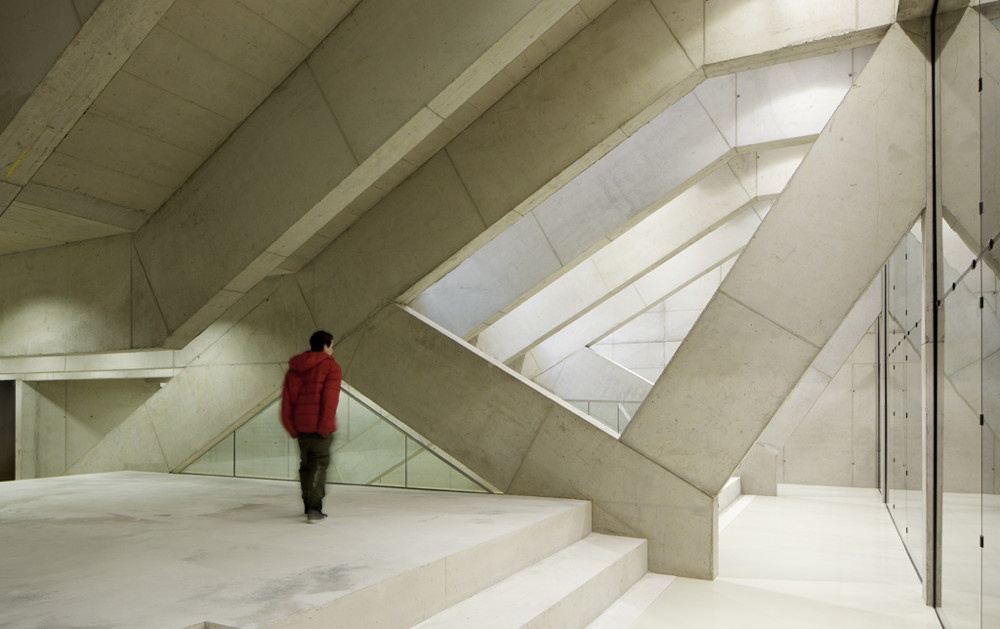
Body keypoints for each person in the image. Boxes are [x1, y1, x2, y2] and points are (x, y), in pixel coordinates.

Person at [281, 330, 342, 523]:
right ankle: (315, 509)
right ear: (325, 346)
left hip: (301, 428)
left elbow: (287, 402)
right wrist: (325, 426)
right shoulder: (331, 367)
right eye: (331, 346)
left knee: (306, 466)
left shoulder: (295, 368)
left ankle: (308, 504)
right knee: (319, 467)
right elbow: (330, 401)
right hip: (320, 429)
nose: (332, 350)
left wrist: (292, 427)